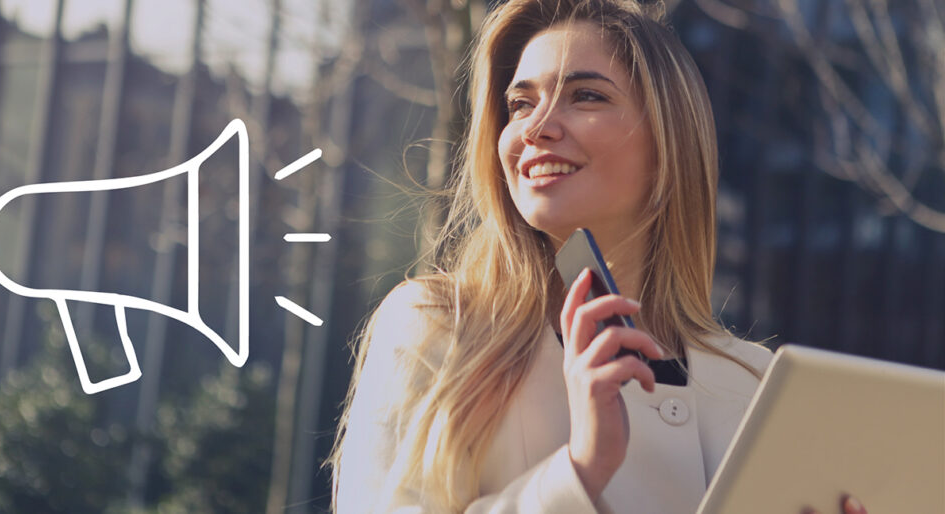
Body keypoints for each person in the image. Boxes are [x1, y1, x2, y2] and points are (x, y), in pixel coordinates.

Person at [328, 1, 867, 512]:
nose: (536, 127)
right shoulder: (438, 327)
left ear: (669, 143)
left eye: (585, 96)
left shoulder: (753, 382)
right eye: (520, 103)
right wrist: (579, 470)